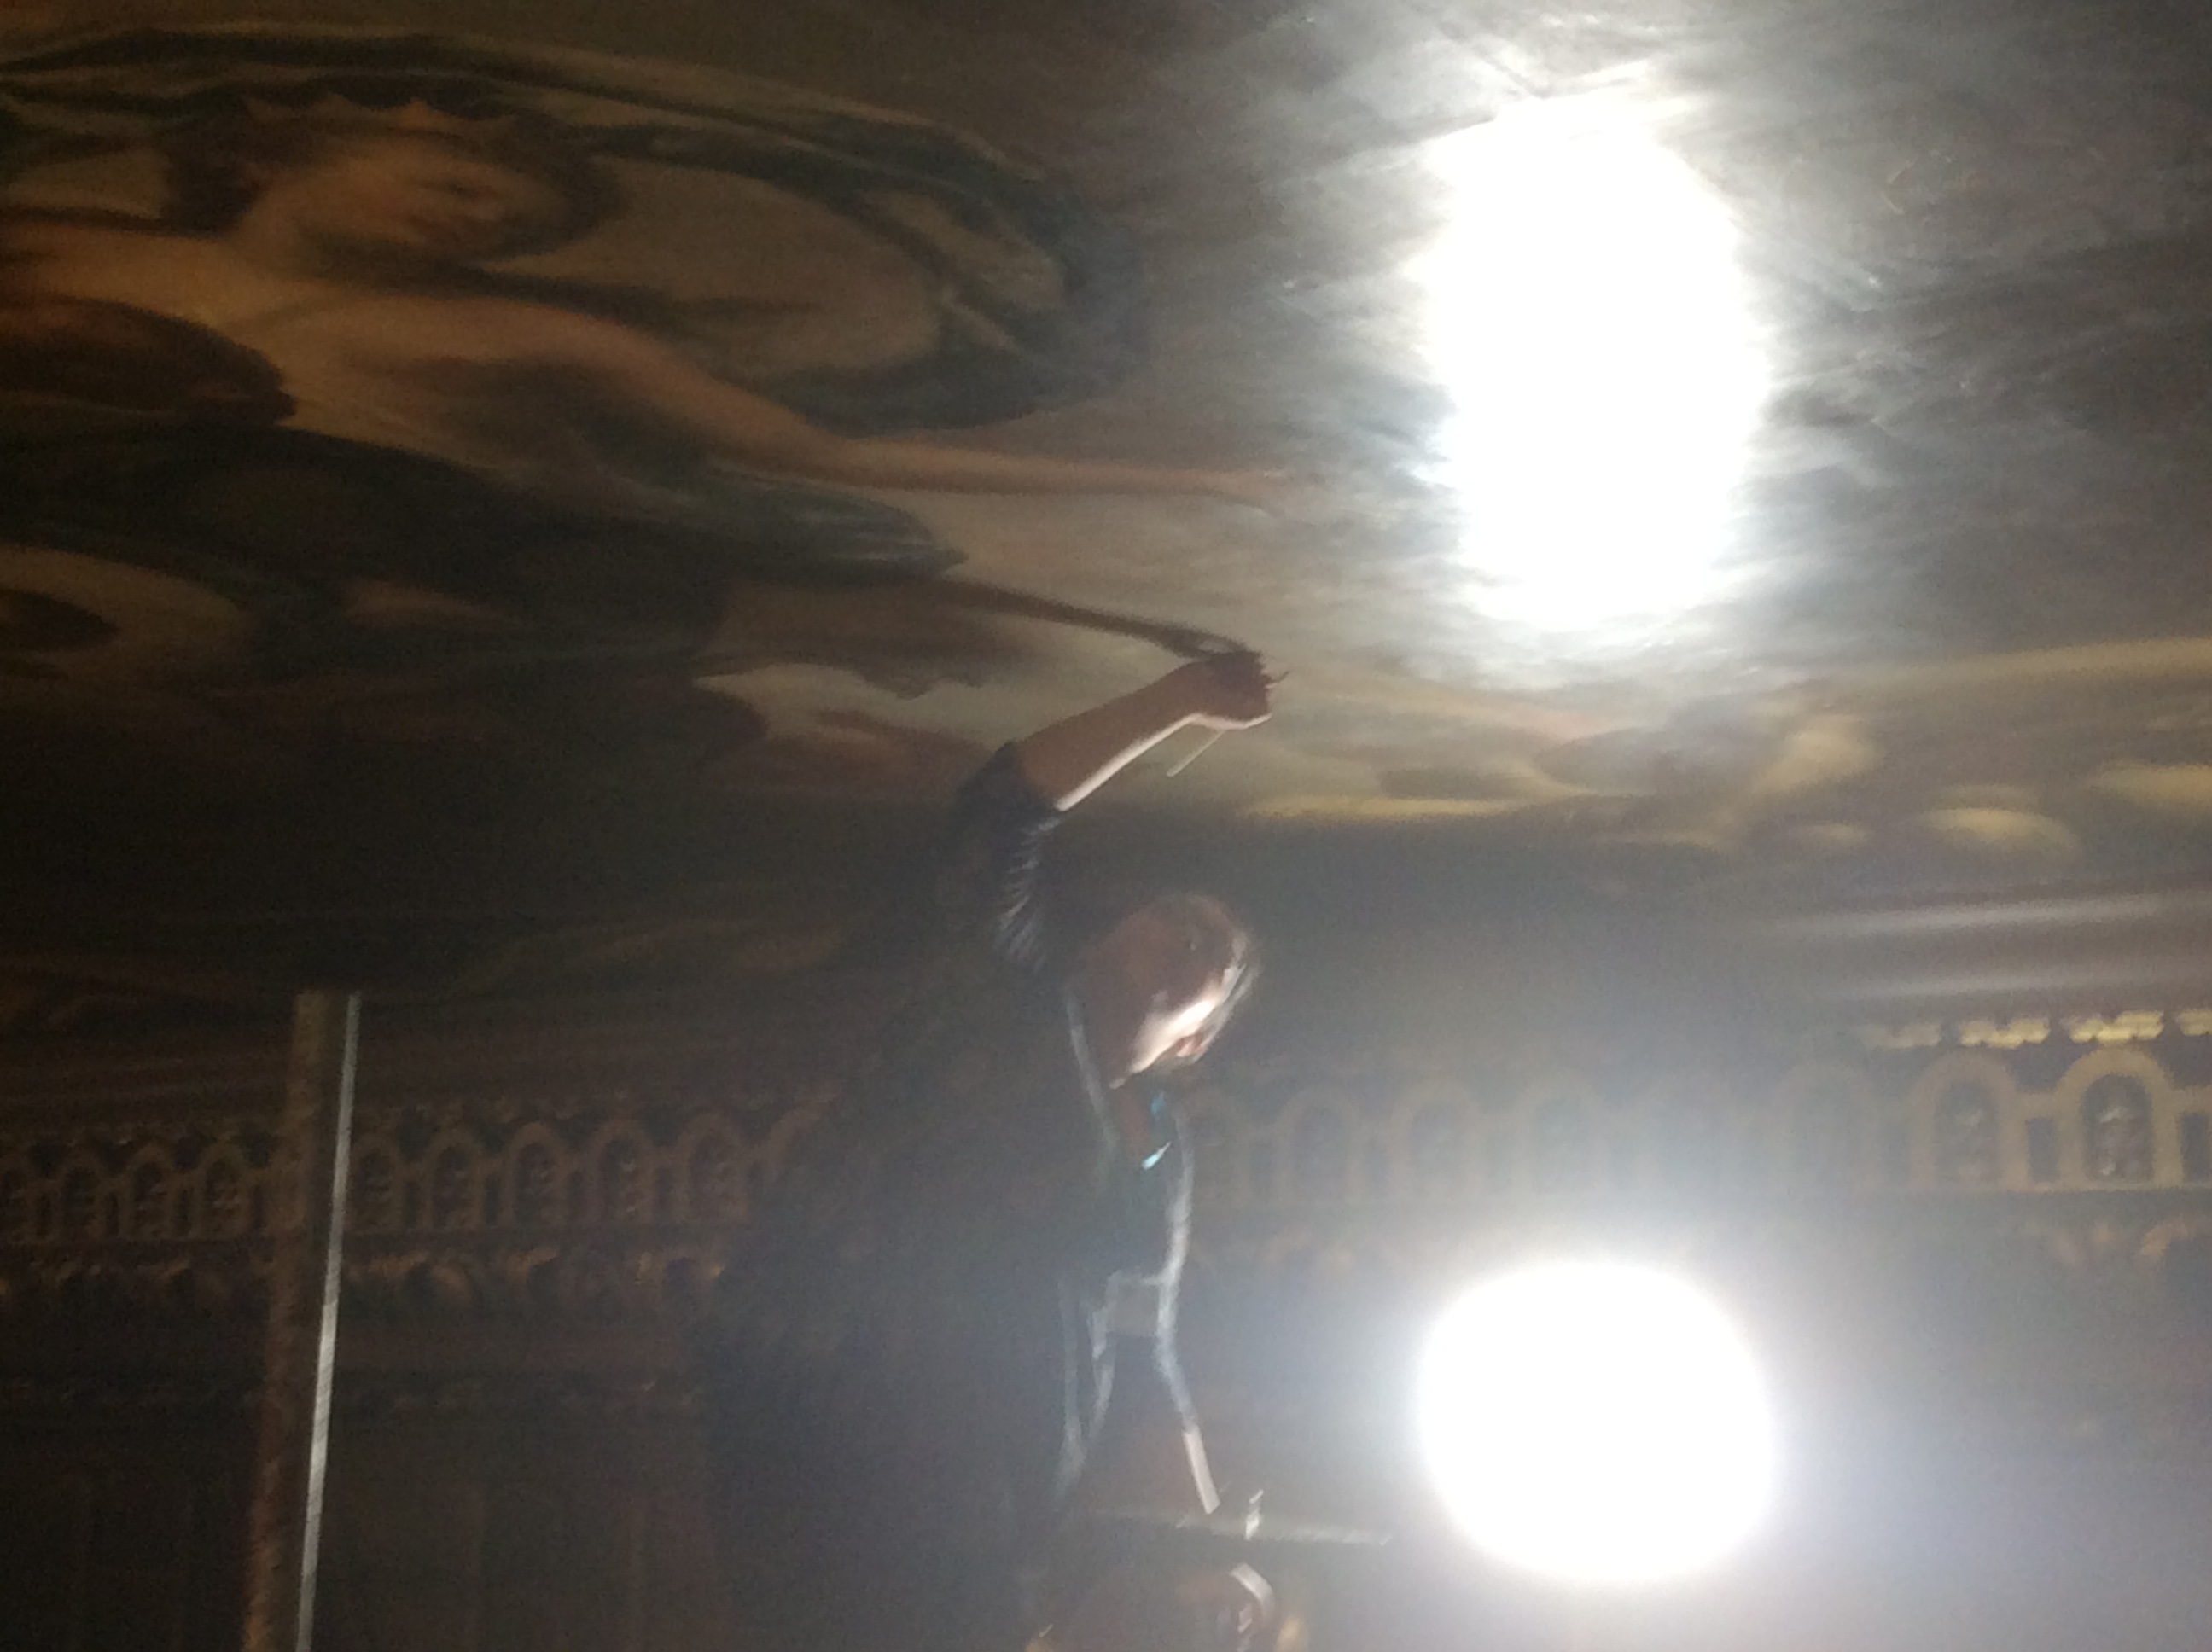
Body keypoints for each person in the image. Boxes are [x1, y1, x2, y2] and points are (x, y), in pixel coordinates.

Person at [695, 654, 1274, 1652]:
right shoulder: (1001, 1000)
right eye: (1174, 919)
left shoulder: (1160, 1157)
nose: (1186, 941)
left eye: (1210, 955)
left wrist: (1204, 1544)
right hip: (837, 1402)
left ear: (1197, 1039)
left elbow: (1145, 1350)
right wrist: (1173, 701)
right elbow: (1000, 816)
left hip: (999, 1481)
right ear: (1103, 937)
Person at [0, 104, 1284, 531]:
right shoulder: (63, 241)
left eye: (501, 230)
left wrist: (1193, 478)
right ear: (288, 151)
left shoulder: (541, 341)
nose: (467, 228)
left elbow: (830, 455)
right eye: (456, 187)